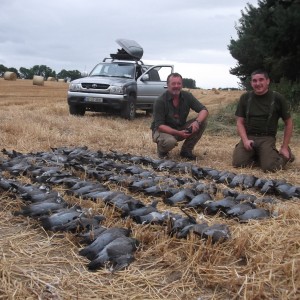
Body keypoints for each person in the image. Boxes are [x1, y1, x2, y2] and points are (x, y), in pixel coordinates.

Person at [232, 69, 295, 172]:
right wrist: (245, 140)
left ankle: (287, 155)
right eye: (254, 81)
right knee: (238, 163)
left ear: (267, 81)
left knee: (270, 167)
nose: (258, 83)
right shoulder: (245, 97)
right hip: (249, 137)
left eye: (261, 80)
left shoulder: (278, 98)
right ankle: (260, 156)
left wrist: (284, 146)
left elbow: (289, 123)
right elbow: (240, 122)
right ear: (251, 83)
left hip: (266, 138)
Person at [151, 72, 209, 160]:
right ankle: (162, 151)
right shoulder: (160, 101)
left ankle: (186, 151)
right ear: (167, 85)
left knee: (202, 122)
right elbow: (160, 126)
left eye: (179, 83)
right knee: (170, 142)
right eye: (173, 83)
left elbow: (204, 110)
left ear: (182, 85)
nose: (176, 86)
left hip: (179, 128)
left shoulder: (187, 96)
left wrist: (197, 122)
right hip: (162, 131)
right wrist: (178, 133)